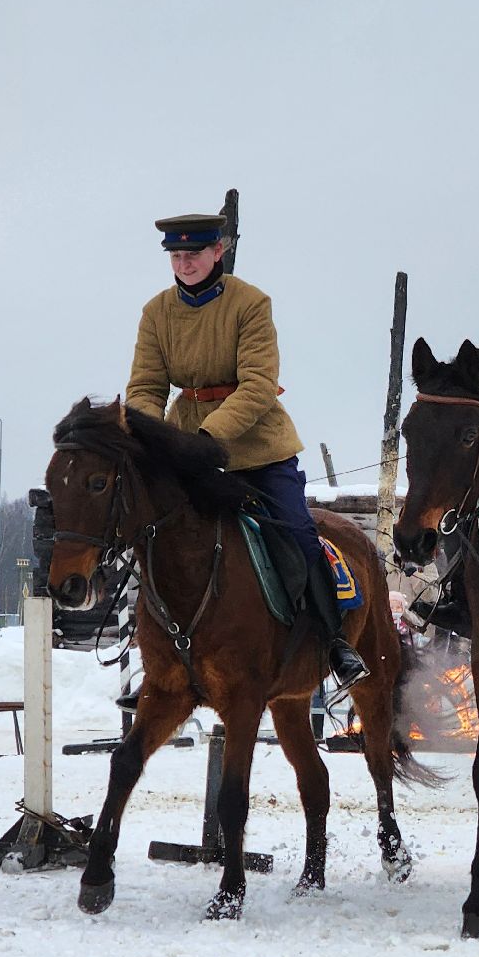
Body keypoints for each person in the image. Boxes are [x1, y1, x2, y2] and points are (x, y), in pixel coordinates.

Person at [126, 213, 366, 688]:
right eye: (176, 255)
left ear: (218, 251)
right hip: (184, 450)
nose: (184, 263)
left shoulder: (251, 303)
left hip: (258, 450)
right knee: (153, 533)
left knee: (298, 533)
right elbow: (145, 388)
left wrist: (206, 439)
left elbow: (258, 385)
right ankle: (159, 660)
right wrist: (153, 439)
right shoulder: (156, 312)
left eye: (194, 253)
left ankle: (333, 641)